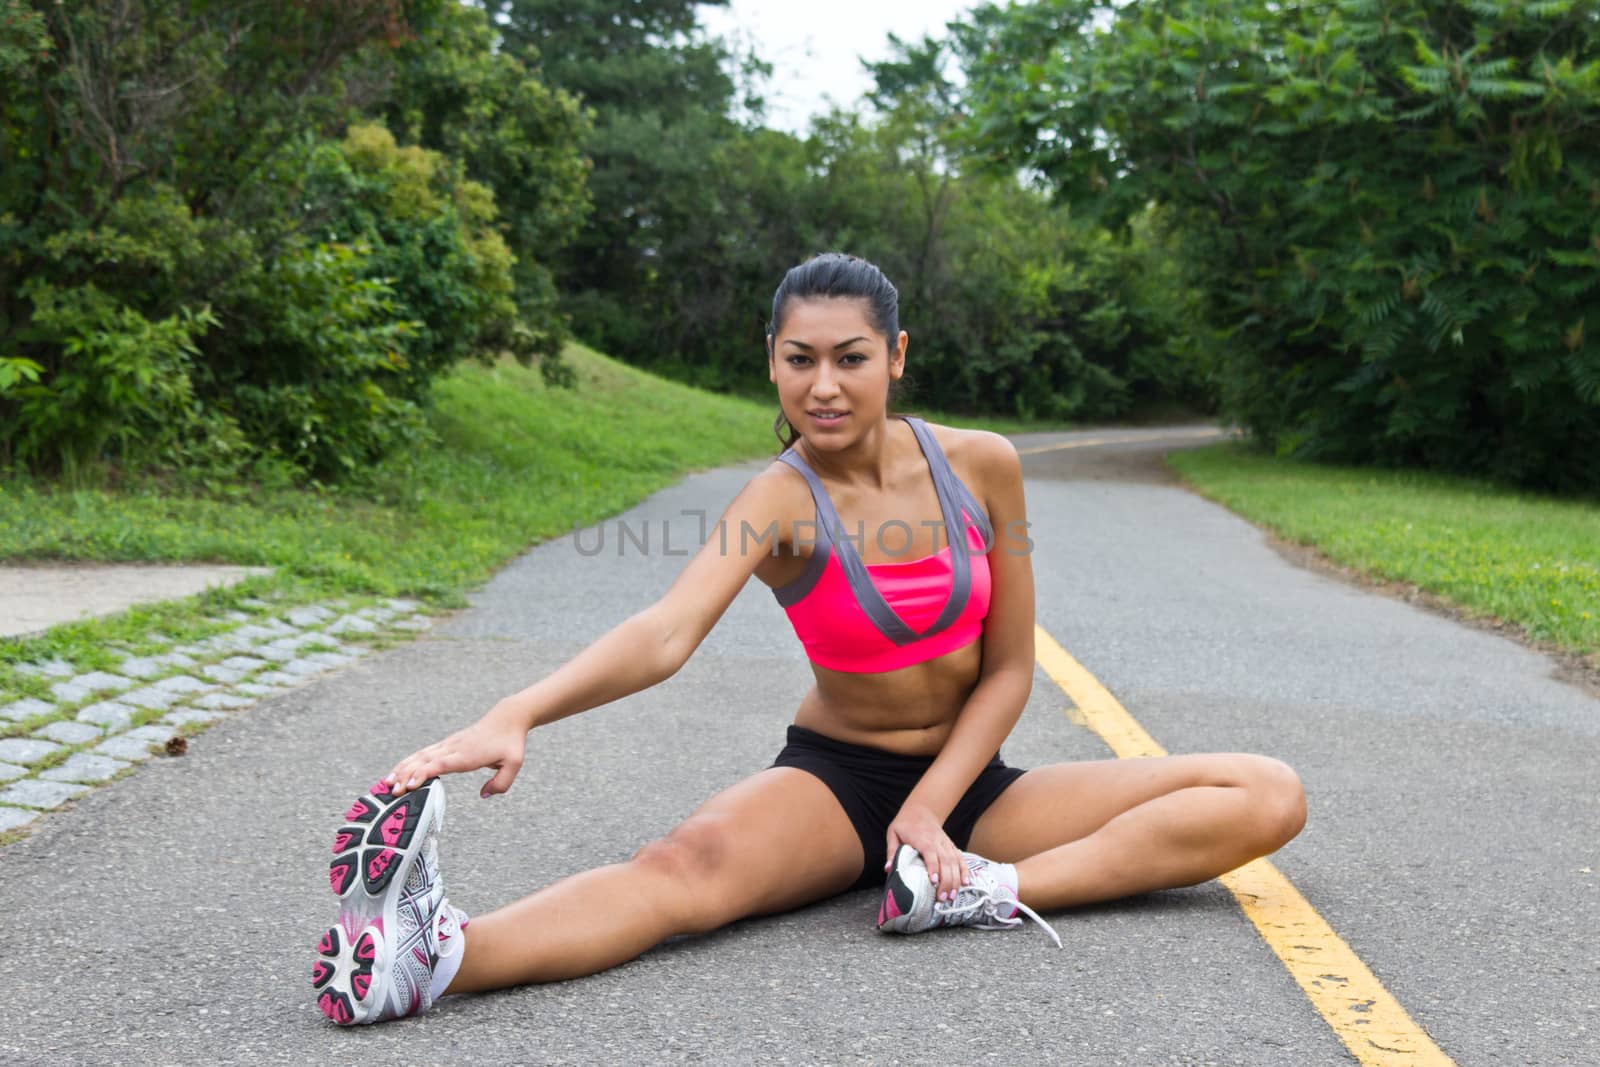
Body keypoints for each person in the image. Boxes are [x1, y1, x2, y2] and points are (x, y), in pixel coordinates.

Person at [310, 252, 1308, 1025]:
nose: (823, 385)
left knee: (1266, 791)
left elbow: (1008, 668)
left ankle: (976, 892)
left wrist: (930, 816)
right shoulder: (777, 502)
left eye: (850, 358)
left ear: (897, 356)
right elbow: (665, 632)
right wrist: (516, 710)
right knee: (681, 871)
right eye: (800, 360)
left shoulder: (983, 467)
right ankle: (432, 956)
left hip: (970, 790)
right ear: (773, 364)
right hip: (835, 780)